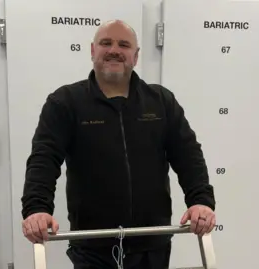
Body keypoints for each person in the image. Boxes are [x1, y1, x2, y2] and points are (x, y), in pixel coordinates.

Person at [21, 19, 216, 269]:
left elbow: (188, 156)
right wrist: (36, 208)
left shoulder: (161, 102)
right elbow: (43, 159)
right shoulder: (65, 102)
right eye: (106, 43)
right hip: (92, 248)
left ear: (135, 56)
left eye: (124, 45)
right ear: (93, 51)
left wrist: (200, 201)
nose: (114, 49)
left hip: (152, 247)